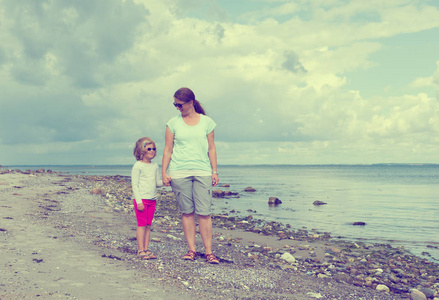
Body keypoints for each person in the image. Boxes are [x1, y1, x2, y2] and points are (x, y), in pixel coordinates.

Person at [162, 87, 220, 264]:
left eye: (179, 105)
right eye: (175, 105)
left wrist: (214, 170)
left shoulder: (207, 122)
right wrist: (164, 172)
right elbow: (168, 149)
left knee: (204, 213)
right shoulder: (173, 123)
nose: (177, 108)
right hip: (179, 172)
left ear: (191, 102)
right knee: (187, 212)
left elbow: (211, 148)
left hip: (202, 171)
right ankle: (192, 250)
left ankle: (209, 252)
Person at [132, 137, 162, 260]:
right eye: (149, 149)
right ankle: (140, 250)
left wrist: (167, 181)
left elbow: (157, 182)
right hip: (142, 200)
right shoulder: (138, 166)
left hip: (152, 199)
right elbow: (135, 185)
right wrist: (139, 201)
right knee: (142, 225)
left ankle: (146, 249)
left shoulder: (155, 166)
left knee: (148, 225)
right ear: (141, 151)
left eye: (154, 149)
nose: (152, 151)